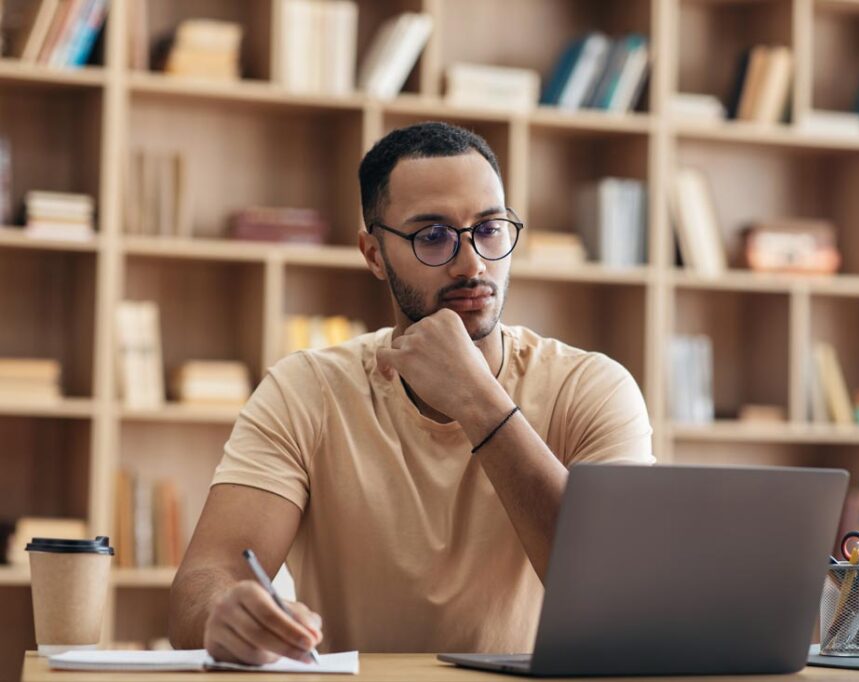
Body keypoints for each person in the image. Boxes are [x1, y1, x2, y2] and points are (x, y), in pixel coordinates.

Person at [168, 121, 654, 665]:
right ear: (374, 255)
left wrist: (476, 398)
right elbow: (205, 578)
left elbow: (616, 592)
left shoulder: (591, 388)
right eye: (433, 236)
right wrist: (223, 612)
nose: (473, 265)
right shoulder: (306, 389)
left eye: (489, 230)